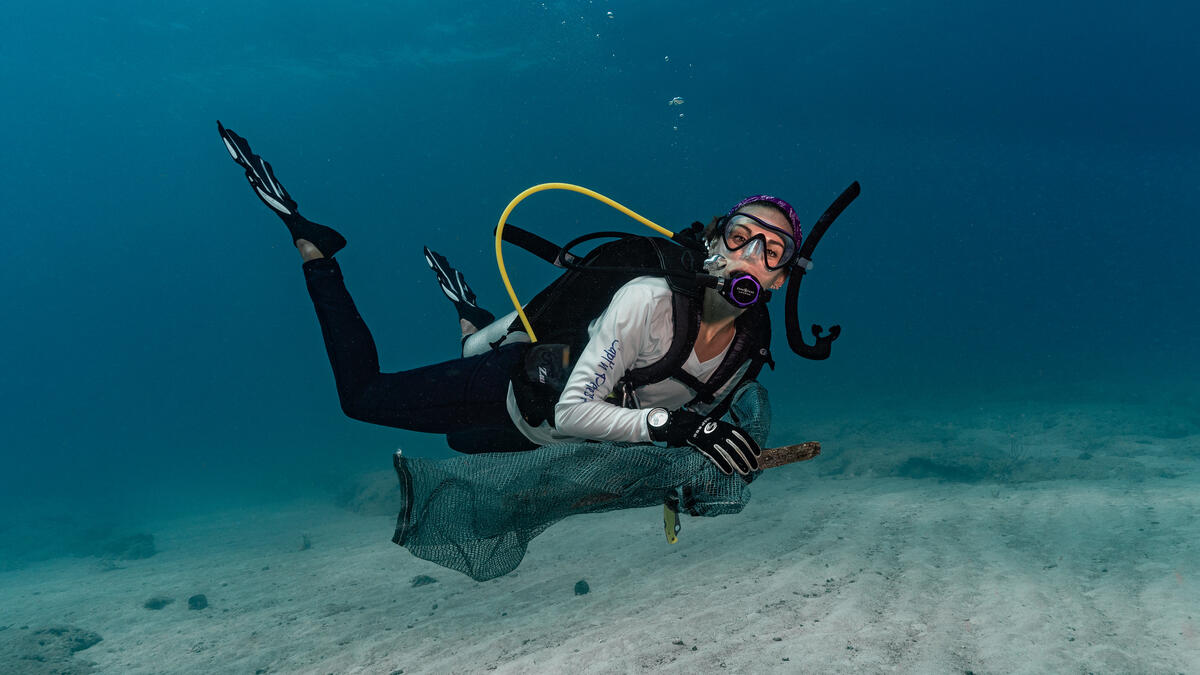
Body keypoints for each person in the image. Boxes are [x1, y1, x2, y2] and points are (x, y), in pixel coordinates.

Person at [218, 121, 807, 478]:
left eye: (772, 251)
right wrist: (676, 429)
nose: (752, 255)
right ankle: (315, 248)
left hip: (536, 443)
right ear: (712, 246)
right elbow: (577, 411)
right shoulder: (647, 301)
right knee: (362, 398)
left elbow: (688, 418)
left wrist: (699, 447)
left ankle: (473, 317)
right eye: (739, 237)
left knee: (458, 443)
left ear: (780, 280)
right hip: (512, 393)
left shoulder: (753, 346)